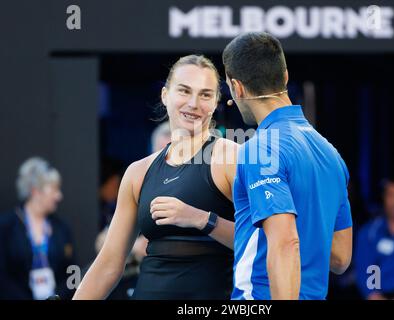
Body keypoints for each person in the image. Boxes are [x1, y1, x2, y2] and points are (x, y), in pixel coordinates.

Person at [73, 54, 238, 300]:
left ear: (215, 102)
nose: (193, 103)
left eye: (205, 95)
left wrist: (202, 219)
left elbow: (264, 242)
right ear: (165, 95)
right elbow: (108, 263)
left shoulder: (232, 156)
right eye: (184, 91)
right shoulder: (138, 172)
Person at [222, 32, 353, 300]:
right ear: (285, 76)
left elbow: (285, 243)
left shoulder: (259, 150)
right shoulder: (331, 154)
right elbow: (340, 257)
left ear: (238, 88)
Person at [0, 157, 75, 300]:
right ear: (35, 191)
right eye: (54, 189)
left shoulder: (62, 228)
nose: (59, 196)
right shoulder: (6, 227)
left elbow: (73, 273)